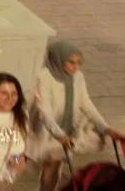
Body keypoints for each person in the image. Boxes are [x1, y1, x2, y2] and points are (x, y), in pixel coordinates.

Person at [27, 41, 122, 191]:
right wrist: (59, 134)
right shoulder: (43, 77)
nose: (76, 67)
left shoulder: (77, 77)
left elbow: (86, 105)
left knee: (54, 167)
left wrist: (104, 127)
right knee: (26, 162)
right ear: (58, 59)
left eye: (78, 63)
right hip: (47, 129)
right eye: (71, 62)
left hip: (67, 129)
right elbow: (43, 111)